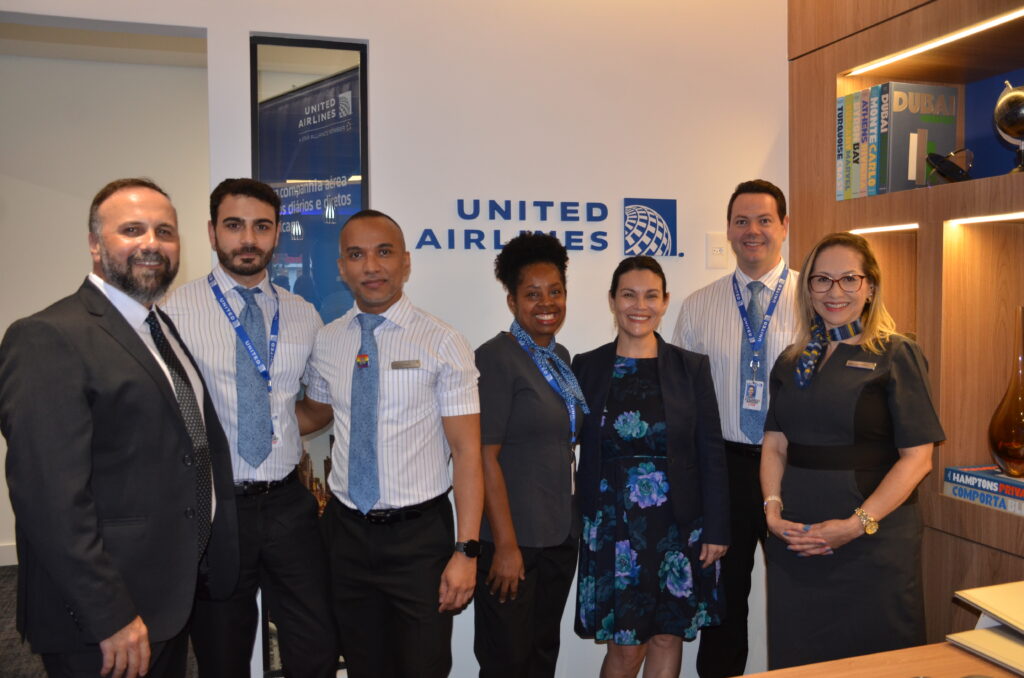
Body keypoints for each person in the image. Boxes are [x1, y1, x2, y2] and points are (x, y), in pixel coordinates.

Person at [0, 178, 239, 678]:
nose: (152, 243)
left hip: (163, 597)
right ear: (94, 243)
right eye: (132, 229)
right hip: (105, 619)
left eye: (165, 231)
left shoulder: (157, 327)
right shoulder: (48, 336)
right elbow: (50, 500)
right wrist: (109, 613)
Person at [162, 178, 337, 677]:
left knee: (316, 645)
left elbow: (317, 407)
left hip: (288, 504)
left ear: (277, 233)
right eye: (234, 226)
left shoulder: (303, 315)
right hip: (215, 506)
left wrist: (276, 426)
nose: (248, 240)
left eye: (261, 227)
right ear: (213, 233)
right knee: (222, 653)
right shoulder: (173, 313)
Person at [298, 209, 484, 678]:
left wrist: (466, 551)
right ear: (341, 267)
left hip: (419, 540)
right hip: (345, 534)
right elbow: (317, 413)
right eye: (357, 255)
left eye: (384, 253)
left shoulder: (443, 342)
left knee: (424, 668)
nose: (371, 267)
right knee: (363, 667)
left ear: (405, 262)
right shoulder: (328, 341)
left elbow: (466, 453)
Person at [760, 232, 943, 668]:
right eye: (821, 280)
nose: (834, 292)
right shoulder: (791, 360)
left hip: (872, 547)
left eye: (848, 279)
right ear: (808, 290)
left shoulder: (897, 354)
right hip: (796, 545)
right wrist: (771, 512)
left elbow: (918, 458)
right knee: (799, 660)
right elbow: (775, 443)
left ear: (870, 287)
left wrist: (855, 526)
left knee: (877, 664)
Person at [573, 256, 729, 678]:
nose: (639, 305)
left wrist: (716, 528)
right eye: (628, 294)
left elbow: (710, 452)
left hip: (679, 526)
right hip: (612, 529)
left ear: (665, 303)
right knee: (626, 648)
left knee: (667, 636)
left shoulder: (690, 367)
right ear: (612, 300)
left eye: (650, 296)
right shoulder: (586, 366)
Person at [671, 179, 800, 677]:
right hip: (723, 470)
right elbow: (682, 405)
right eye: (742, 221)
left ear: (784, 227)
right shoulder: (698, 306)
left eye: (765, 220)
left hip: (796, 468)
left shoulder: (815, 302)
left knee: (801, 594)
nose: (753, 231)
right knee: (722, 606)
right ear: (728, 229)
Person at [473, 232, 586, 677]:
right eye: (532, 293)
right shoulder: (496, 358)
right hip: (512, 543)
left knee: (541, 657)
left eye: (555, 291)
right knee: (507, 663)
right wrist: (505, 546)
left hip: (558, 537)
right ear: (512, 301)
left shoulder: (559, 356)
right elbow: (485, 457)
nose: (546, 302)